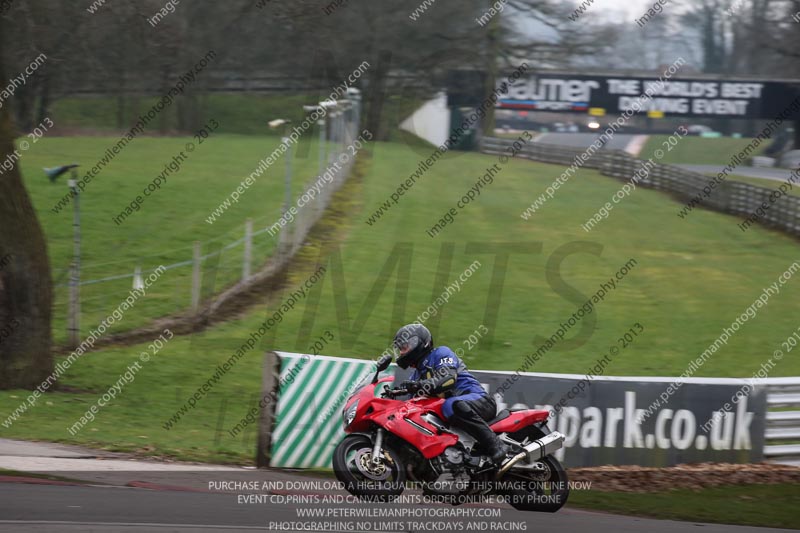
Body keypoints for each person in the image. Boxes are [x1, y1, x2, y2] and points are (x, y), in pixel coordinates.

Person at [392, 323, 508, 465]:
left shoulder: (440, 353)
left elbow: (448, 379)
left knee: (450, 405)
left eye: (404, 347)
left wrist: (420, 385)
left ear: (418, 343)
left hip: (480, 401)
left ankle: (496, 444)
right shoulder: (415, 376)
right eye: (400, 349)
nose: (401, 353)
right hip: (454, 415)